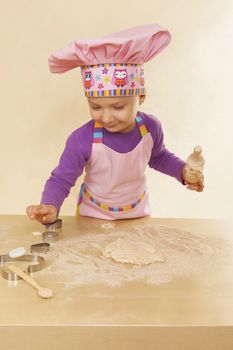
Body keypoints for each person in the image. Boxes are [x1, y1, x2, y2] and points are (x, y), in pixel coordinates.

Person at [26, 23, 204, 224]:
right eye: (96, 107)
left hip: (137, 214)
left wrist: (183, 172)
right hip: (92, 216)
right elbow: (61, 179)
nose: (107, 117)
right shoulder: (82, 139)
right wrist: (50, 204)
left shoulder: (150, 128)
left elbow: (159, 157)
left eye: (118, 107)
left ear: (141, 97)